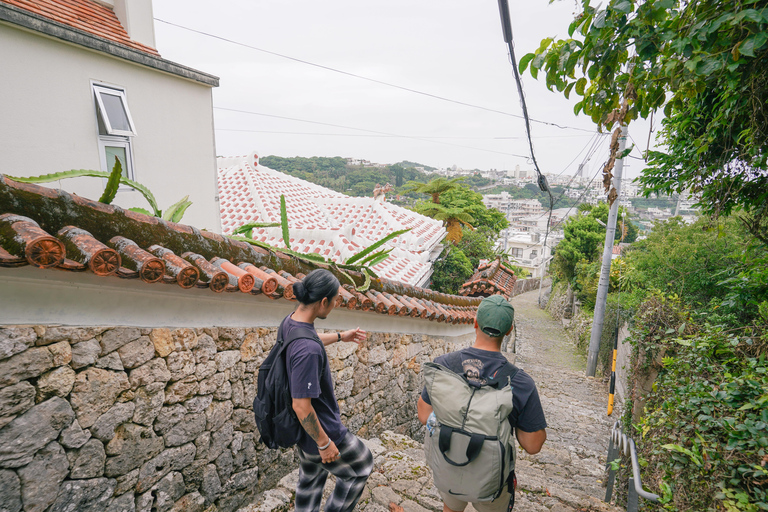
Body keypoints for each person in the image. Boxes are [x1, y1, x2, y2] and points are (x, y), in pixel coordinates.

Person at [417, 294, 547, 512]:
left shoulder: (444, 365)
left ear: (475, 322)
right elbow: (533, 446)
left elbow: (424, 415)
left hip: (449, 466)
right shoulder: (520, 382)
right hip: (492, 480)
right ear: (509, 330)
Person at [285, 269, 373, 512]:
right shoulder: (308, 352)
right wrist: (324, 443)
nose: (335, 305)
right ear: (324, 302)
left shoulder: (292, 321)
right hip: (321, 427)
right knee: (362, 466)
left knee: (310, 479)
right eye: (335, 301)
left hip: (302, 431)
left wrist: (340, 336)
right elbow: (301, 406)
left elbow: (307, 337)